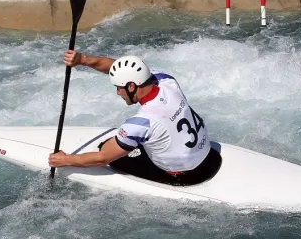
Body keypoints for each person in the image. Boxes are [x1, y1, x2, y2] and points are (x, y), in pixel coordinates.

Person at [47, 50, 222, 186]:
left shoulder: (141, 122)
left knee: (106, 147)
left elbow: (103, 158)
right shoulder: (167, 82)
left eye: (119, 88)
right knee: (132, 139)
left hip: (186, 175)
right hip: (208, 155)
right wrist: (82, 59)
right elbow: (119, 67)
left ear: (131, 86)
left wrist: (66, 159)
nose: (117, 92)